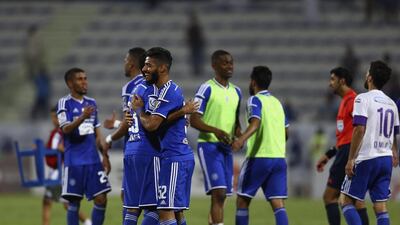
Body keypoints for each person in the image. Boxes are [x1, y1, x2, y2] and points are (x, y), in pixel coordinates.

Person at [132, 47, 195, 225]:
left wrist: (138, 110)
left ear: (162, 68)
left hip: (176, 157)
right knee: (175, 212)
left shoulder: (170, 91)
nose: (144, 69)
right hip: (169, 156)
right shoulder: (158, 91)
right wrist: (182, 112)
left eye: (148, 65)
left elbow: (152, 125)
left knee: (166, 212)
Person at [340, 61, 399, 225]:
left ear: (370, 77)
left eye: (367, 72)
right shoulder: (391, 103)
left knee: (345, 201)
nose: (365, 75)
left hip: (367, 158)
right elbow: (394, 132)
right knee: (380, 207)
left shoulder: (362, 99)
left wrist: (351, 159)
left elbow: (359, 129)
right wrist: (395, 151)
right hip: (385, 159)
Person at [231, 66, 289, 225]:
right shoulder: (277, 103)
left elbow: (255, 123)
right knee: (278, 204)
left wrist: (241, 139)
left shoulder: (254, 100)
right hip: (279, 158)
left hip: (259, 158)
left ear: (253, 82)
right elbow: (287, 133)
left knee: (242, 201)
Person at [190, 49, 242, 225]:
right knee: (219, 193)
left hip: (226, 149)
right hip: (209, 146)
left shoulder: (237, 92)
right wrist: (216, 131)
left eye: (231, 62)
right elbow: (194, 120)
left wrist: (239, 136)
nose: (229, 66)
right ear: (214, 66)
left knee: (222, 197)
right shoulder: (206, 88)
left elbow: (235, 120)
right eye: (225, 62)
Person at [57, 67, 111, 225]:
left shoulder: (91, 103)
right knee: (73, 203)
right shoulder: (64, 103)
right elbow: (65, 129)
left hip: (93, 161)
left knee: (101, 199)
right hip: (74, 162)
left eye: (85, 78)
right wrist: (82, 117)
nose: (84, 82)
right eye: (80, 79)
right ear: (70, 83)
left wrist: (105, 156)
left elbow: (97, 133)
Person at [315, 67, 369, 225]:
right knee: (356, 200)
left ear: (342, 81)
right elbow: (344, 135)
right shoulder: (345, 101)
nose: (330, 83)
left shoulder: (353, 101)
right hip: (347, 151)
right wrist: (328, 155)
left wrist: (353, 155)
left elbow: (362, 128)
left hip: (349, 153)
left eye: (332, 79)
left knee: (330, 197)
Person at [102, 47, 146, 222]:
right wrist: (116, 124)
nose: (124, 64)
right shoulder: (151, 84)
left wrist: (109, 137)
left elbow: (131, 124)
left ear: (133, 63)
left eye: (126, 60)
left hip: (136, 149)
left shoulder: (131, 87)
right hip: (153, 148)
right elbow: (139, 121)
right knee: (140, 199)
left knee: (130, 201)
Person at [43, 106, 91, 225]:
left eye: (55, 117)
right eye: (52, 117)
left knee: (52, 202)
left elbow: (75, 148)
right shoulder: (55, 133)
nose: (53, 120)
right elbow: (52, 148)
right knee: (62, 203)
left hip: (61, 171)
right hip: (56, 170)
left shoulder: (65, 131)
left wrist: (63, 149)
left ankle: (87, 222)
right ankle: (88, 222)